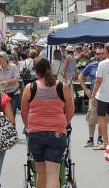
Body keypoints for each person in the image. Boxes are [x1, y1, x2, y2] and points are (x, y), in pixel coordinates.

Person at [21, 58, 75, 188]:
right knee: (53, 174)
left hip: (35, 133)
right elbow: (70, 111)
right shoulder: (63, 87)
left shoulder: (30, 87)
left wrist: (29, 127)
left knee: (40, 173)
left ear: (36, 72)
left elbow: (24, 113)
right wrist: (62, 124)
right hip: (57, 133)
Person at [79, 48, 105, 147]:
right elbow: (81, 76)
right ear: (95, 55)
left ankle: (100, 138)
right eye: (98, 54)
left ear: (105, 54)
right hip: (94, 96)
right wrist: (85, 89)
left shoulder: (108, 65)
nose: (100, 56)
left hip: (105, 96)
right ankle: (90, 139)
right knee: (91, 118)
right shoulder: (91, 65)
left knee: (102, 118)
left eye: (102, 54)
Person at [0, 52, 21, 116]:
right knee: (2, 115)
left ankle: (12, 125)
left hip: (13, 94)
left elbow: (17, 79)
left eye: (0, 59)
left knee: (11, 114)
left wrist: (6, 82)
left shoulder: (13, 67)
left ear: (6, 59)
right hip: (2, 94)